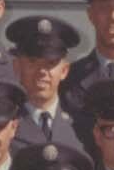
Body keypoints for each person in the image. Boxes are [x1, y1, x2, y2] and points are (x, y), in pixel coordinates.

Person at [6, 15, 88, 155]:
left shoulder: (83, 125)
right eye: (33, 61)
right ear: (17, 67)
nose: (42, 71)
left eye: (51, 63)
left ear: (64, 70)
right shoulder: (2, 124)